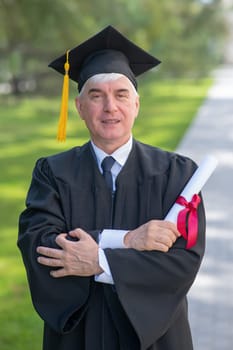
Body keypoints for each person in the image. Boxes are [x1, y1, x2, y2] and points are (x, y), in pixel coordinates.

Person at [18, 25, 206, 350]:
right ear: (79, 107)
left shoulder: (179, 175)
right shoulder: (51, 173)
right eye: (96, 95)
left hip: (156, 340)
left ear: (136, 105)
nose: (110, 107)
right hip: (77, 338)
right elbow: (40, 245)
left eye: (121, 95)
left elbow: (182, 261)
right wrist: (128, 241)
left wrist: (99, 262)